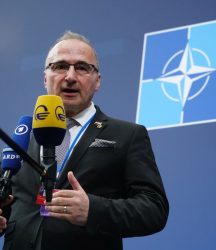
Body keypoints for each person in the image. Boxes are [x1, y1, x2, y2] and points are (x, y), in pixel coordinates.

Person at [0, 31, 169, 250]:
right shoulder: (24, 135)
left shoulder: (127, 135)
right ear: (45, 78)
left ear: (97, 81)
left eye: (82, 67)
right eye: (60, 66)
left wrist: (93, 210)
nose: (70, 76)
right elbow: (13, 203)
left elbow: (154, 209)